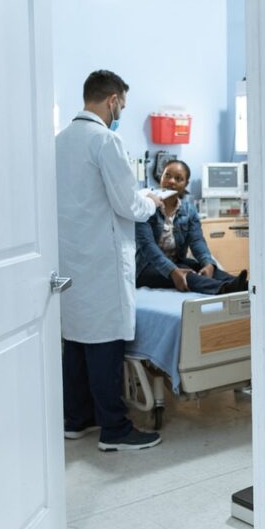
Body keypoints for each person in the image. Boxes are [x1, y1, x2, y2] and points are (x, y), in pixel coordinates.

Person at [57, 70, 164, 452]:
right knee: (104, 341)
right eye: (122, 105)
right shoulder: (105, 141)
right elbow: (127, 203)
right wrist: (150, 202)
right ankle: (114, 429)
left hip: (70, 259)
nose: (121, 111)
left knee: (76, 339)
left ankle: (76, 418)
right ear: (113, 99)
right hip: (102, 258)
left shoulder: (60, 142)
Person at [135, 159, 249, 294]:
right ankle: (222, 290)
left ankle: (244, 287)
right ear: (161, 177)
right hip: (146, 267)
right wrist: (173, 271)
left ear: (185, 184)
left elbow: (197, 241)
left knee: (209, 269)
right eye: (167, 175)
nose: (171, 181)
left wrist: (208, 264)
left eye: (178, 179)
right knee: (188, 276)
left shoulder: (189, 210)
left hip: (176, 261)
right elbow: (148, 247)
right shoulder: (146, 208)